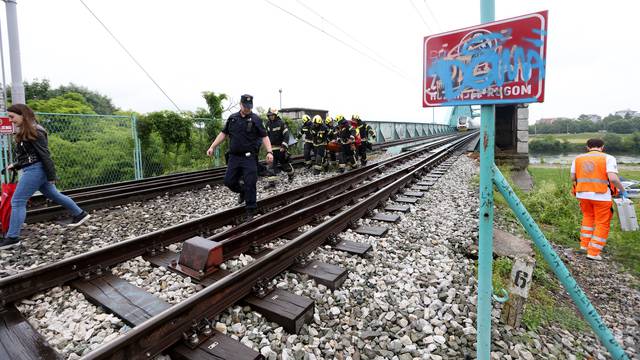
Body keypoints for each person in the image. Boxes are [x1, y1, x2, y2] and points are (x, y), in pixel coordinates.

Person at [0, 104, 90, 250]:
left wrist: (51, 175)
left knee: (17, 201)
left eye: (12, 117)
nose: (10, 120)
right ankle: (80, 214)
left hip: (35, 171)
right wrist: (16, 165)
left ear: (23, 115)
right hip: (34, 169)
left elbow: (44, 155)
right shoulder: (28, 130)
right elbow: (30, 155)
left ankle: (12, 237)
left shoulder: (36, 131)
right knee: (54, 194)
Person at [207, 94, 273, 218]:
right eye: (246, 106)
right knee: (229, 181)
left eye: (250, 106)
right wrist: (212, 146)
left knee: (250, 182)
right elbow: (223, 134)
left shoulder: (256, 119)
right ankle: (242, 191)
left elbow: (264, 136)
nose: (248, 109)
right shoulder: (232, 118)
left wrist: (269, 152)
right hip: (234, 157)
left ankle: (250, 209)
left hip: (249, 157)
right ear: (240, 104)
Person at [571, 138, 627, 261]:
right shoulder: (608, 158)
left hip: (582, 194)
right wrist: (622, 190)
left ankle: (584, 246)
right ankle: (593, 252)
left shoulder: (578, 158)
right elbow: (613, 178)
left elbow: (573, 177)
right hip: (601, 195)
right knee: (602, 223)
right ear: (602, 147)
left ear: (587, 147)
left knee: (588, 218)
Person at [265, 107, 294, 186]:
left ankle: (291, 175)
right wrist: (268, 149)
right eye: (269, 115)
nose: (271, 116)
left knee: (285, 165)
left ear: (275, 114)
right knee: (271, 165)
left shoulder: (281, 123)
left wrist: (284, 146)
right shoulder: (267, 124)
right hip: (272, 149)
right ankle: (271, 183)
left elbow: (286, 135)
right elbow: (266, 136)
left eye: (272, 115)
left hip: (280, 149)